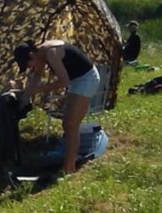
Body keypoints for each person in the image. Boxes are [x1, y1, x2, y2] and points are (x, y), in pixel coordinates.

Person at [13, 40, 99, 175]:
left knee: (71, 124)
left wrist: (38, 90)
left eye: (28, 65)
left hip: (86, 79)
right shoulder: (40, 54)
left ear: (31, 55)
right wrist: (26, 94)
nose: (29, 68)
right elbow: (37, 74)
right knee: (68, 125)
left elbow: (63, 82)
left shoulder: (51, 53)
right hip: (76, 80)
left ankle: (68, 168)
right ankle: (69, 164)